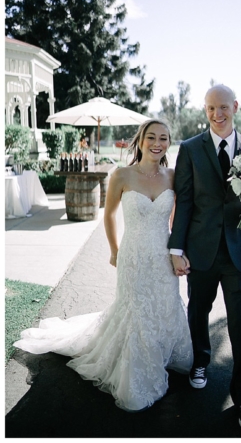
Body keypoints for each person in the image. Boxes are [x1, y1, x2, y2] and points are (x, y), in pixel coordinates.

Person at [14, 119, 192, 412]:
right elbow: (108, 215)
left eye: (163, 138)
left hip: (162, 256)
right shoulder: (122, 175)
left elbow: (177, 218)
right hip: (133, 257)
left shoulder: (172, 176)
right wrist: (114, 250)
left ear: (169, 143)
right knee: (136, 308)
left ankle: (164, 353)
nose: (157, 143)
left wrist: (177, 250)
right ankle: (137, 373)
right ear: (140, 140)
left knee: (165, 304)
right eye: (151, 137)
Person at [169, 84, 241, 430]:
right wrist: (176, 249)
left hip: (239, 252)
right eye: (210, 109)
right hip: (200, 251)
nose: (217, 115)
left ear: (236, 107)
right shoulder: (190, 149)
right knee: (198, 310)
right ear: (205, 110)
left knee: (240, 324)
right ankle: (200, 360)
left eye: (223, 107)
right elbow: (183, 201)